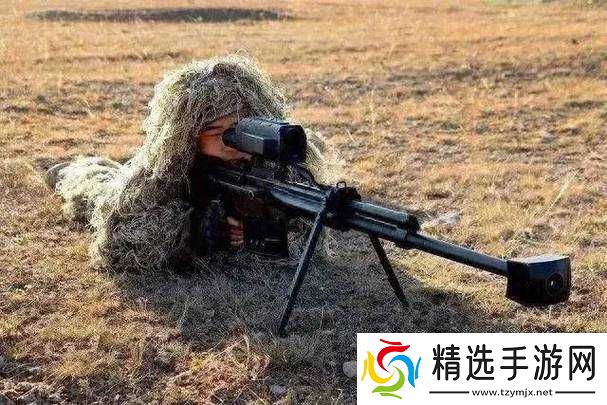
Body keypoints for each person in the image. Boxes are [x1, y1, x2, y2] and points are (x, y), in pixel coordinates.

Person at [45, 54, 330, 273]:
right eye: (217, 133)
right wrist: (193, 228)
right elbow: (121, 239)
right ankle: (70, 171)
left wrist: (255, 227)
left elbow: (304, 231)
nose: (232, 144)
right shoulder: (167, 168)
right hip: (125, 187)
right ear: (188, 135)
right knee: (99, 191)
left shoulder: (277, 162)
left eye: (244, 130)